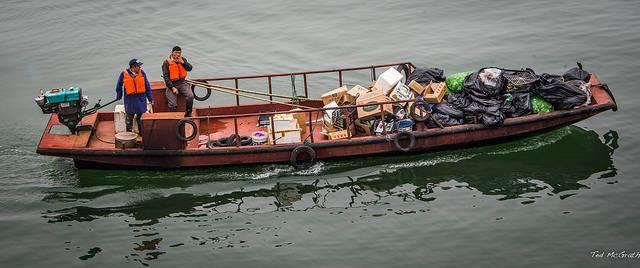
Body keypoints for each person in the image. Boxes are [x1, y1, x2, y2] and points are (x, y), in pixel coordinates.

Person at [115, 58, 153, 134]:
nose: (140, 67)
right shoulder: (123, 74)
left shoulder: (142, 73)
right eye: (138, 66)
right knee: (129, 118)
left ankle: (142, 133)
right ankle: (129, 134)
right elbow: (119, 85)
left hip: (140, 100)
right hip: (130, 101)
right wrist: (119, 95)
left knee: (141, 118)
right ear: (133, 67)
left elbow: (147, 86)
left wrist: (150, 98)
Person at [162, 46, 194, 117]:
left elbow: (190, 68)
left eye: (179, 53)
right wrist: (172, 87)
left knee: (190, 96)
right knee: (172, 104)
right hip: (171, 84)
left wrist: (183, 62)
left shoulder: (183, 60)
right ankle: (173, 119)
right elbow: (166, 77)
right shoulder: (166, 63)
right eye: (176, 52)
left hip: (182, 83)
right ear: (172, 53)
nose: (178, 54)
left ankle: (188, 114)